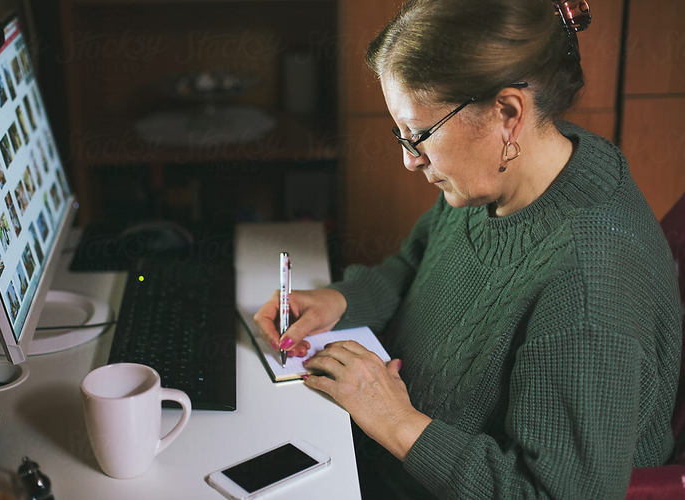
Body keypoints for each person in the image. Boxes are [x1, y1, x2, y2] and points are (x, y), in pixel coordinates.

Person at [253, 0, 683, 498]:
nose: (410, 160)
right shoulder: (506, 171)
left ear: (506, 114)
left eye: (420, 135)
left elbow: (548, 492)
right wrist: (342, 301)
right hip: (374, 447)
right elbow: (415, 265)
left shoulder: (589, 287)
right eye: (400, 134)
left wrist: (395, 421)